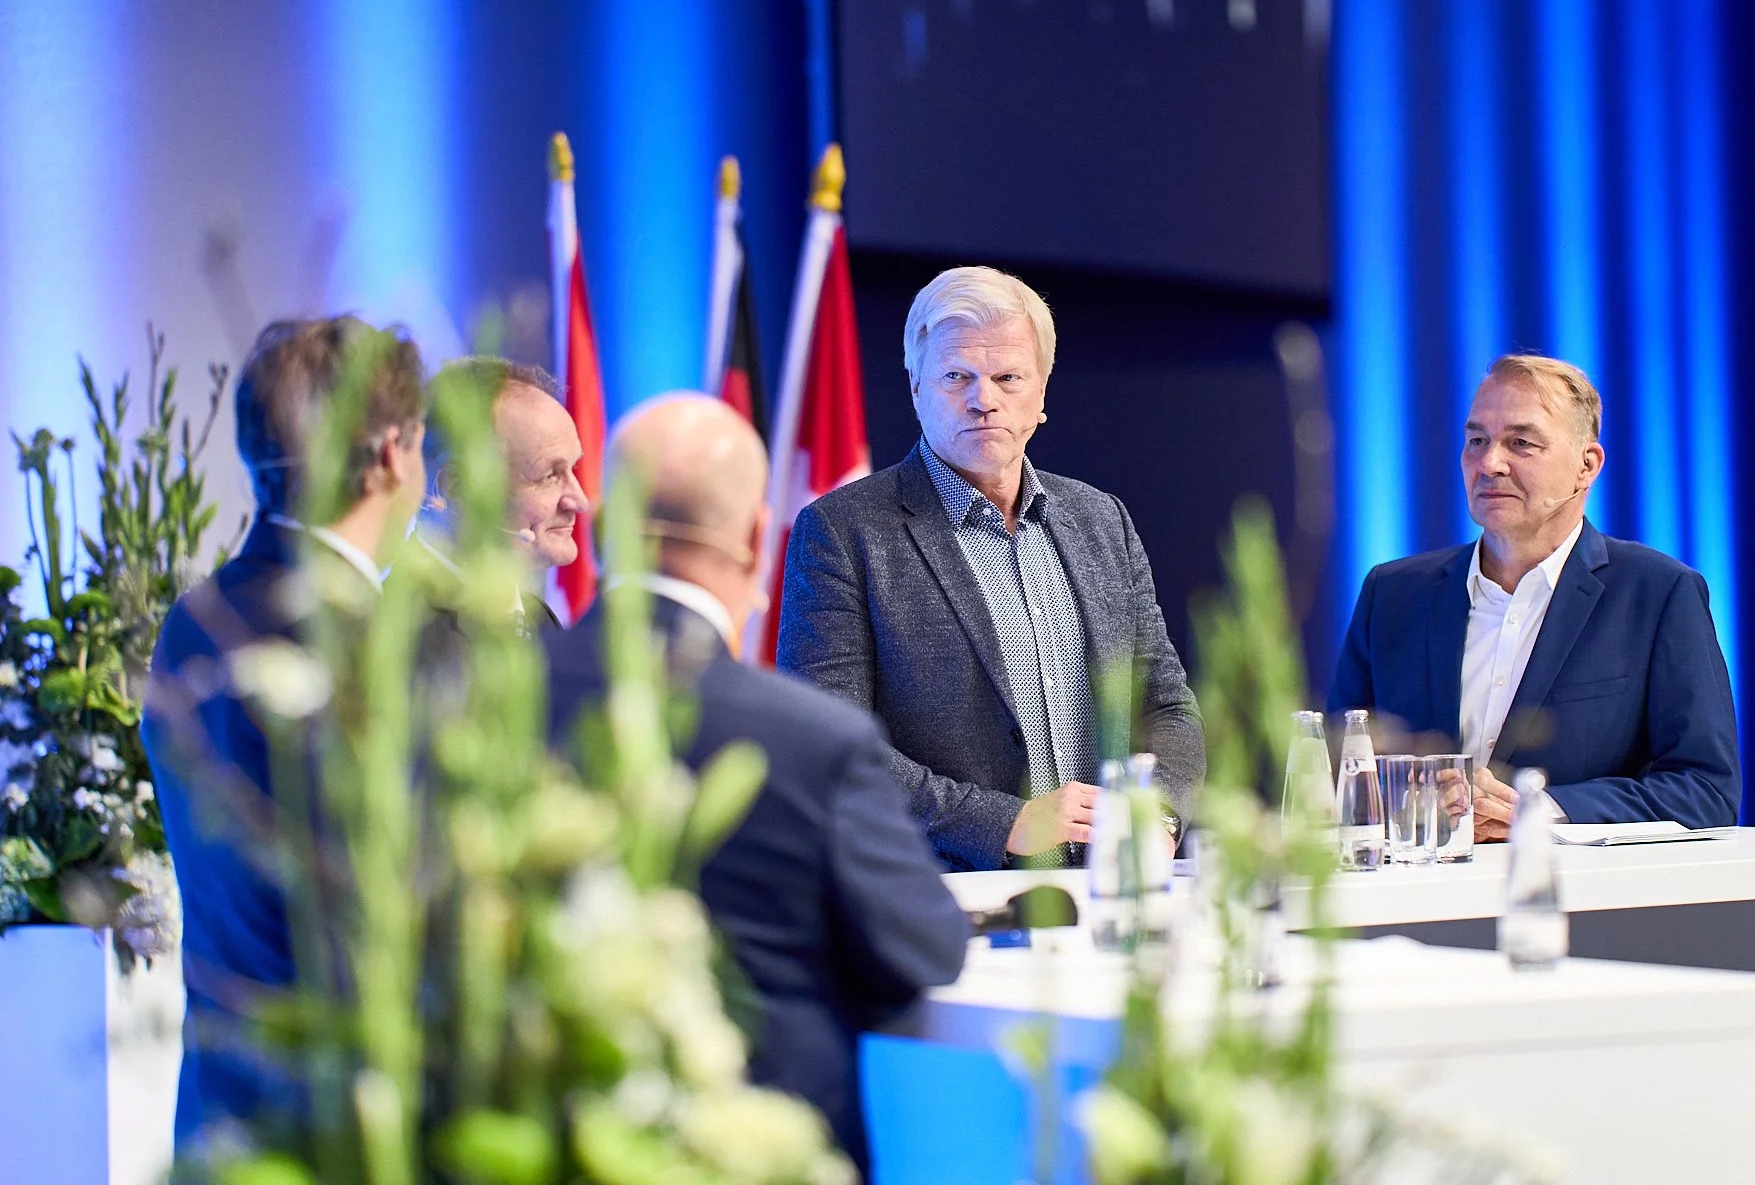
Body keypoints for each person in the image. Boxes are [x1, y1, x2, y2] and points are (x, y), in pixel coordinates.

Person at [544, 392, 969, 1171]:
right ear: (751, 541)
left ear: (603, 532)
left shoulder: (474, 708)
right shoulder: (816, 740)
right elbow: (927, 947)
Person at [776, 265, 1204, 870]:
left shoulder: (1102, 520)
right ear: (917, 386)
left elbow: (1166, 708)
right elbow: (826, 742)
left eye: (1008, 377)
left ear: (1041, 393)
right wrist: (1003, 822)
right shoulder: (841, 532)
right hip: (940, 899)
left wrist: (1156, 815)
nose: (984, 399)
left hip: (1107, 894)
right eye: (957, 377)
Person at [141, 316, 427, 1147]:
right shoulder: (364, 640)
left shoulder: (193, 620)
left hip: (222, 1111)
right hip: (348, 1127)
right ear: (387, 454)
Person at [1328, 354, 1739, 836]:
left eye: (1520, 443)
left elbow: (1705, 791)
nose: (1489, 463)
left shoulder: (1657, 592)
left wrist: (1541, 809)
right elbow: (1337, 771)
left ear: (1587, 466)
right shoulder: (1393, 593)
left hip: (1581, 899)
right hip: (1414, 895)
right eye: (1476, 441)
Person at [415, 356, 588, 631]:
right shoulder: (402, 633)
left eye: (572, 469)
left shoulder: (543, 623)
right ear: (457, 489)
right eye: (549, 476)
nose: (579, 501)